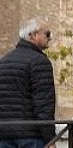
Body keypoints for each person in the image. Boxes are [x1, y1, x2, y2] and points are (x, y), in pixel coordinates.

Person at [0, 19, 55, 148]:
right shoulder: (39, 62)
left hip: (4, 136)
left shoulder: (3, 62)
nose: (50, 38)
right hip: (31, 137)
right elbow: (43, 105)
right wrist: (50, 140)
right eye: (47, 34)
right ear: (33, 35)